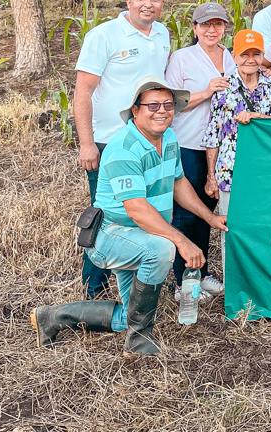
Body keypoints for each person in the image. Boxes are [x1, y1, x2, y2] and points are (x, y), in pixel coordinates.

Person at [31, 79, 226, 356]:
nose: (162, 111)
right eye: (153, 105)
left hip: (142, 234)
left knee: (130, 315)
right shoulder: (123, 148)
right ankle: (139, 343)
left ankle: (51, 317)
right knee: (162, 249)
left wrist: (209, 218)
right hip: (113, 234)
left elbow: (179, 183)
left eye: (168, 105)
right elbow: (136, 209)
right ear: (135, 111)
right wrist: (182, 242)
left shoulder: (169, 138)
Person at [72, 0, 171, 298]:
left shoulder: (162, 34)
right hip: (111, 142)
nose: (148, 4)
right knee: (106, 217)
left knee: (144, 208)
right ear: (128, 1)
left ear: (161, 3)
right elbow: (83, 92)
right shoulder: (104, 36)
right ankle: (94, 288)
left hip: (147, 139)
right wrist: (87, 143)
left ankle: (139, 282)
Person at [162, 1, 233, 299]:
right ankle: (183, 281)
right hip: (189, 143)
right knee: (187, 213)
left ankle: (201, 274)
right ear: (194, 28)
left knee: (209, 211)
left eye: (217, 24)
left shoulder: (231, 57)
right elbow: (171, 101)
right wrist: (207, 91)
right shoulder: (181, 58)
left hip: (220, 147)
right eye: (205, 24)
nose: (212, 29)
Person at [205, 29, 271, 217]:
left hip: (265, 169)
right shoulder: (223, 88)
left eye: (256, 54)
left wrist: (258, 117)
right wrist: (211, 177)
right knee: (231, 225)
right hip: (230, 170)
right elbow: (213, 137)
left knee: (263, 222)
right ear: (235, 56)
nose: (250, 60)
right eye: (244, 54)